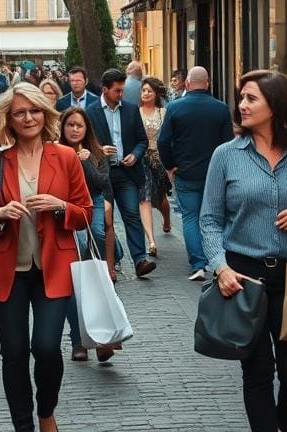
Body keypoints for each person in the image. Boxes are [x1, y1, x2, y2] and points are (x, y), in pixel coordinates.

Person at [200, 70, 287, 432]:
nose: (242, 105)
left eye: (252, 98)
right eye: (242, 98)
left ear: (276, 105)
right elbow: (209, 220)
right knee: (258, 370)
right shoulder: (226, 155)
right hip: (242, 275)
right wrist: (220, 267)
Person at [0, 83, 93, 432]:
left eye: (35, 111)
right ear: (8, 120)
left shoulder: (66, 157)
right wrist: (0, 214)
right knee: (13, 352)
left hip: (53, 268)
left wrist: (60, 207)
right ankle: (23, 424)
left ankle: (46, 410)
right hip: (9, 269)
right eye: (20, 113)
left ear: (46, 114)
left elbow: (85, 211)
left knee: (45, 347)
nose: (28, 118)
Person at [157, 66, 234, 281]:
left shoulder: (174, 108)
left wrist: (170, 165)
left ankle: (198, 263)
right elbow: (229, 143)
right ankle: (218, 261)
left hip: (186, 172)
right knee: (214, 218)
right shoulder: (220, 109)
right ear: (207, 83)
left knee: (190, 217)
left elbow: (163, 141)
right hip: (214, 174)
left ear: (188, 84)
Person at [86, 68, 155, 278]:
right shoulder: (91, 111)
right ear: (105, 90)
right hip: (102, 174)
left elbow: (143, 140)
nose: (121, 94)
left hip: (126, 172)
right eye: (117, 91)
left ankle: (140, 259)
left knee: (132, 215)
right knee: (105, 221)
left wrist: (135, 154)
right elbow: (85, 142)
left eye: (123, 90)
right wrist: (99, 151)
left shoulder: (131, 110)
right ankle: (111, 261)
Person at [58, 107, 112, 362]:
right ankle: (78, 340)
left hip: (93, 205)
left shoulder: (97, 153)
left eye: (79, 126)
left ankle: (103, 338)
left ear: (86, 129)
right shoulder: (54, 153)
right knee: (74, 280)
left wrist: (86, 161)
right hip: (67, 211)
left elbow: (101, 183)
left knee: (94, 275)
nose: (75, 130)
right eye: (70, 125)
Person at [138, 77, 171, 258]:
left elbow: (168, 138)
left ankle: (166, 219)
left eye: (149, 91)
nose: (146, 94)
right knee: (145, 198)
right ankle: (151, 240)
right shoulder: (136, 113)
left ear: (156, 94)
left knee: (160, 199)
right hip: (142, 159)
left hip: (160, 160)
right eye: (143, 90)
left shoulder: (163, 112)